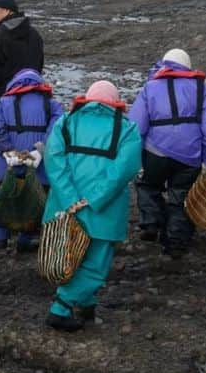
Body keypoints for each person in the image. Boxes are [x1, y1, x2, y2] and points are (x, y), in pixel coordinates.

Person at [40, 80, 142, 332]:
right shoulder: (127, 130)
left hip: (65, 209)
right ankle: (61, 307)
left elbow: (53, 159)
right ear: (115, 102)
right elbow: (123, 171)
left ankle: (86, 302)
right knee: (95, 263)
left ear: (87, 98)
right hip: (103, 212)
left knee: (68, 256)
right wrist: (94, 198)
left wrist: (69, 198)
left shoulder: (65, 122)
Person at [128, 48, 206, 258]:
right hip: (190, 156)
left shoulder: (150, 87)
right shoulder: (200, 89)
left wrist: (136, 161)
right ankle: (176, 244)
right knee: (182, 197)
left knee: (148, 185)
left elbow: (135, 128)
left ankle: (151, 223)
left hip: (155, 153)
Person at [0, 68, 63, 252]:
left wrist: (7, 151)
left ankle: (0, 240)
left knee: (1, 197)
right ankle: (24, 240)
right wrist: (40, 151)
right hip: (38, 164)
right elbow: (58, 130)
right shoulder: (51, 104)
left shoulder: (3, 102)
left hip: (7, 165)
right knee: (34, 201)